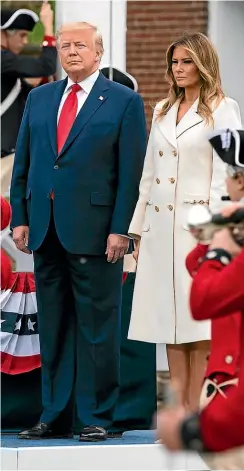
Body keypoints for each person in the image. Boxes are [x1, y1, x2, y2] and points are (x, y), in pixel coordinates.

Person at [10, 21, 147, 441]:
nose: (71, 51)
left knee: (97, 329)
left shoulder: (123, 102)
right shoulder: (39, 97)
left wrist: (121, 229)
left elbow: (131, 174)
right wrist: (20, 216)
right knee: (53, 326)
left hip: (98, 232)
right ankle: (53, 413)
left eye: (80, 45)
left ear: (98, 53)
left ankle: (96, 416)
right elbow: (25, 164)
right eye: (65, 45)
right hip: (45, 231)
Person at [127, 32, 242, 411]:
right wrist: (136, 232)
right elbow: (148, 175)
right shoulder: (161, 108)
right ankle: (178, 412)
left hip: (199, 232)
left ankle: (202, 411)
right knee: (167, 324)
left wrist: (216, 232)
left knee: (200, 323)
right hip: (159, 232)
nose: (179, 69)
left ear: (203, 64)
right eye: (175, 62)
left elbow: (228, 175)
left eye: (187, 62)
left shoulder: (224, 108)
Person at [157, 129, 244, 454]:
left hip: (231, 378)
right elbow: (196, 266)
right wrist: (214, 240)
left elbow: (203, 299)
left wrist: (220, 253)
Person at [1, 2, 57, 194]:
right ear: (3, 33)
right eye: (21, 35)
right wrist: (48, 29)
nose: (25, 41)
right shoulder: (3, 59)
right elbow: (46, 65)